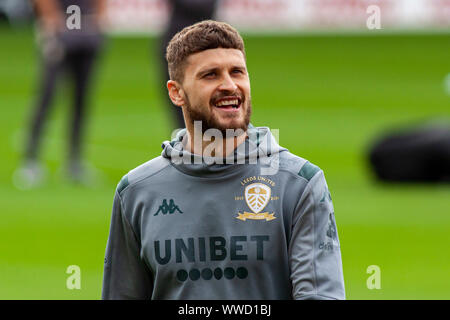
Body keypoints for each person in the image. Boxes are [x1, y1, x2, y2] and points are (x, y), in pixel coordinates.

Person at [102, 20, 345, 300]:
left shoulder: (299, 183)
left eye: (237, 72)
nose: (230, 85)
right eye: (210, 75)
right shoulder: (136, 192)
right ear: (176, 92)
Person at [14, 0, 106, 188]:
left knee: (81, 100)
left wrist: (98, 20)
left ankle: (74, 163)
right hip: (60, 32)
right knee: (47, 96)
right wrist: (51, 20)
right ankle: (31, 160)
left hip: (87, 35)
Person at [158, 0, 218, 129]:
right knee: (178, 98)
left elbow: (201, 8)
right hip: (178, 44)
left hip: (201, 46)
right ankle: (186, 135)